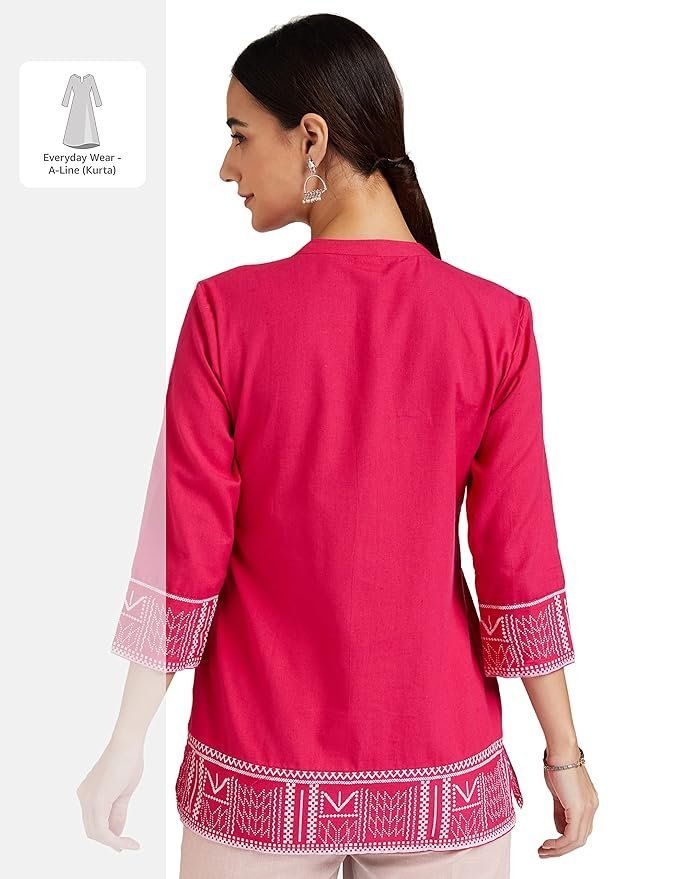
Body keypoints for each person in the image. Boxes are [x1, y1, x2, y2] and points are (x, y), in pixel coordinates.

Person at [76, 12, 599, 878]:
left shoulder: (224, 315)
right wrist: (564, 754)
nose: (227, 167)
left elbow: (183, 548)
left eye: (240, 135)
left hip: (255, 773)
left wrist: (127, 739)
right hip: (440, 771)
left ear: (311, 138)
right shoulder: (494, 322)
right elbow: (518, 559)